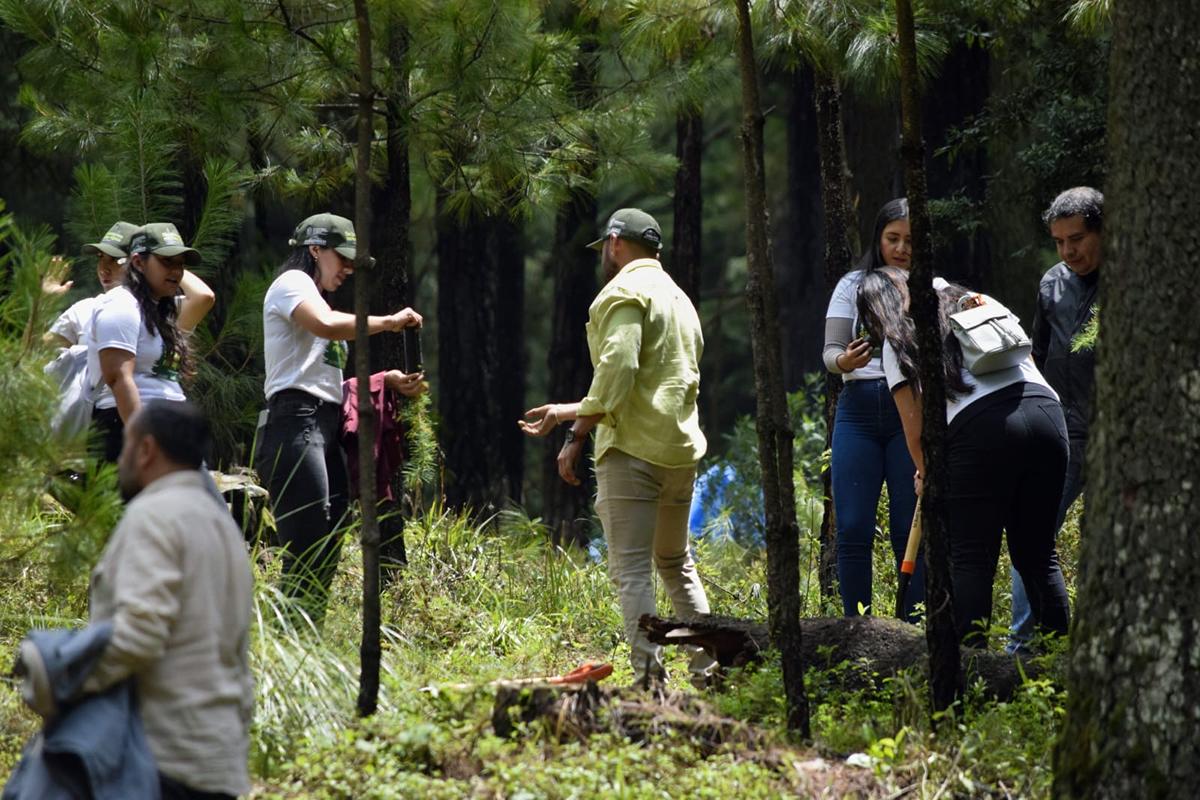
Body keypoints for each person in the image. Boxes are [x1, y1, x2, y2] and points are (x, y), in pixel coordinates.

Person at [519, 208, 718, 686]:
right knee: (675, 563)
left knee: (631, 569)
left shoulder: (625, 292)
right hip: (680, 452)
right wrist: (572, 416)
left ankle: (650, 680)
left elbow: (618, 368)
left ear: (614, 243)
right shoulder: (680, 299)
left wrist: (576, 430)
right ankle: (711, 673)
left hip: (633, 451)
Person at [857, 267, 1071, 647]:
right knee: (1039, 556)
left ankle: (973, 673)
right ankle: (1063, 669)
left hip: (981, 432)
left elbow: (916, 429)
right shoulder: (978, 301)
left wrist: (927, 472)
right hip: (1047, 417)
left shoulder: (899, 338)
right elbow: (1029, 364)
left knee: (972, 560)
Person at [81, 400, 253, 799]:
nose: (120, 457)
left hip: (159, 761)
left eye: (125, 445)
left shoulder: (154, 515)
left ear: (146, 450)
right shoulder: (223, 526)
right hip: (220, 761)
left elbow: (138, 637)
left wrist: (61, 679)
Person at [255, 212, 422, 622]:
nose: (348, 268)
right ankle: (286, 645)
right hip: (293, 425)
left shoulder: (318, 299)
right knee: (308, 543)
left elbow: (328, 384)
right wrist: (389, 323)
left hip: (322, 427)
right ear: (314, 249)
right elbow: (327, 326)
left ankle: (306, 644)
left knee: (327, 543)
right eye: (341, 257)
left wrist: (385, 380)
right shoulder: (292, 285)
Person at [1008, 186, 1103, 651]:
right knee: (1029, 536)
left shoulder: (1137, 276)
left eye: (1078, 238)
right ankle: (1025, 649)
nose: (1070, 251)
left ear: (1103, 231)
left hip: (1117, 435)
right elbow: (1037, 358)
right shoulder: (1052, 283)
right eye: (1060, 241)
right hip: (1062, 432)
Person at [821, 198, 923, 620]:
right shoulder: (852, 284)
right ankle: (855, 626)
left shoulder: (931, 286)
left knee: (909, 527)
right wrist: (846, 362)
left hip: (910, 414)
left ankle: (914, 627)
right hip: (858, 410)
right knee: (853, 527)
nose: (900, 249)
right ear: (878, 239)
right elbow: (829, 352)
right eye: (892, 238)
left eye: (910, 241)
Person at [89, 222, 216, 462]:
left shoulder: (161, 311)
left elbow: (204, 297)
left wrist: (163, 255)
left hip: (170, 430)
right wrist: (145, 441)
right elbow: (118, 378)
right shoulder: (121, 304)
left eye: (180, 263)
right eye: (166, 262)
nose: (176, 271)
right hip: (129, 429)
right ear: (137, 262)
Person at [43, 220, 139, 347]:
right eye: (100, 257)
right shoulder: (84, 311)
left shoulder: (163, 309)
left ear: (138, 263)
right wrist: (45, 302)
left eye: (115, 259)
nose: (103, 269)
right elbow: (32, 353)